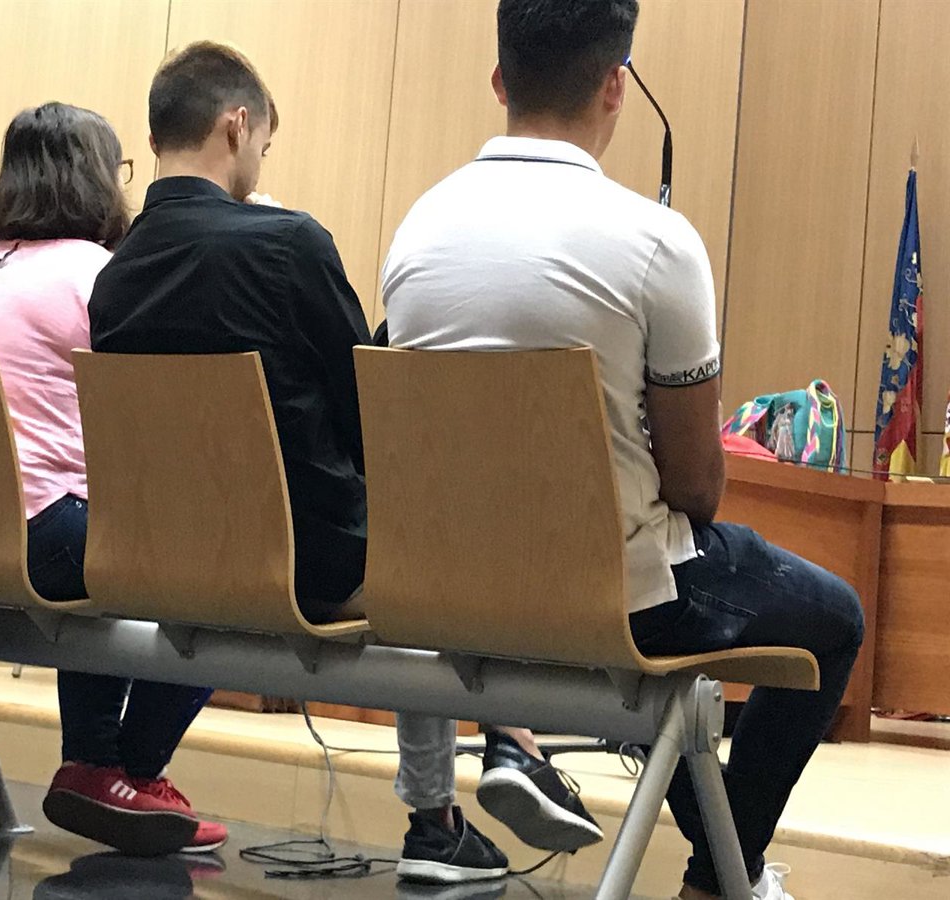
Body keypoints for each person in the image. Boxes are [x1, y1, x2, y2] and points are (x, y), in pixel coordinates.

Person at [381, 2, 866, 899]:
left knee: (656, 630)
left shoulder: (415, 233)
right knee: (834, 617)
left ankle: (727, 866)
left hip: (449, 594)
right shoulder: (656, 242)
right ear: (616, 85)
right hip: (613, 602)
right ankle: (721, 878)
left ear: (500, 80)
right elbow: (697, 486)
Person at [88, 40, 601, 886]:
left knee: (415, 545)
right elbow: (371, 418)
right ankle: (489, 766)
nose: (259, 161)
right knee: (446, 547)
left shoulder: (112, 277)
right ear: (237, 125)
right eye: (263, 145)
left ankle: (479, 781)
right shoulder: (287, 244)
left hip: (163, 559)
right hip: (312, 563)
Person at [0, 102, 226, 857]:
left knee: (98, 536)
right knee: (226, 571)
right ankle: (126, 768)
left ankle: (97, 766)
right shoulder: (95, 275)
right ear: (97, 178)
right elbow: (153, 413)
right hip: (38, 539)